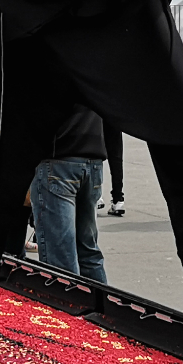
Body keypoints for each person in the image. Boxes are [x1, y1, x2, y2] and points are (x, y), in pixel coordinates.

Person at [32, 106, 110, 282]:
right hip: (92, 154)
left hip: (59, 156)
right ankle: (99, 298)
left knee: (60, 257)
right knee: (88, 251)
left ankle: (68, 297)